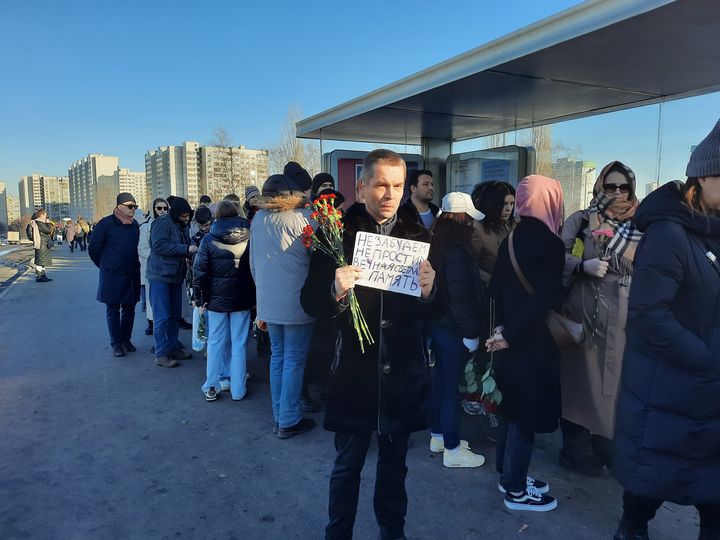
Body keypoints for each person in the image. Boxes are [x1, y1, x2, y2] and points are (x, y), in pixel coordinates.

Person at [300, 149, 440, 540]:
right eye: (381, 184)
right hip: (355, 376)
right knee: (347, 468)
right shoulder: (336, 235)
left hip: (401, 377)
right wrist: (334, 288)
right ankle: (337, 533)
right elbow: (309, 300)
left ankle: (392, 532)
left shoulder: (419, 236)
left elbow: (434, 311)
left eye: (397, 185)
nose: (390, 193)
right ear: (361, 188)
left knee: (395, 469)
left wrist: (431, 292)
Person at [612, 120, 720, 540]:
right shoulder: (670, 234)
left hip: (710, 394)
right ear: (705, 175)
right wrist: (706, 359)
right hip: (669, 390)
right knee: (648, 485)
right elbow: (648, 316)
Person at [486, 174, 565, 512]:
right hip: (532, 342)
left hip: (508, 339)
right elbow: (545, 298)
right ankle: (516, 491)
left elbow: (496, 291)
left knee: (510, 409)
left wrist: (503, 331)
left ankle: (508, 474)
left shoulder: (511, 238)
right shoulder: (552, 243)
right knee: (525, 417)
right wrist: (514, 334)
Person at [559, 161, 642, 477]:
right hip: (587, 307)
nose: (618, 193)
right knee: (581, 379)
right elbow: (557, 254)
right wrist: (582, 265)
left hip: (627, 313)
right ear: (600, 187)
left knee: (618, 382)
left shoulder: (642, 221)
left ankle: (608, 444)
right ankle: (575, 448)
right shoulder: (581, 219)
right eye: (611, 187)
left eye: (624, 187)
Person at [250, 171, 317, 438]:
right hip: (297, 302)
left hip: (269, 301)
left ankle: (279, 414)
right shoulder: (305, 219)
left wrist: (262, 297)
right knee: (294, 360)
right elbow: (319, 259)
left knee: (277, 357)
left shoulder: (258, 219)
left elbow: (253, 264)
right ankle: (288, 419)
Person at [427, 192, 487, 468]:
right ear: (461, 218)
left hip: (439, 326)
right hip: (454, 329)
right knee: (452, 388)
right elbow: (461, 296)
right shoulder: (457, 250)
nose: (472, 224)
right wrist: (471, 333)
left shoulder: (436, 242)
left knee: (441, 382)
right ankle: (452, 448)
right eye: (469, 218)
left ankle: (438, 435)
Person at [463, 181, 517, 435]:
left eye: (511, 203)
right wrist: (494, 283)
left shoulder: (515, 226)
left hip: (509, 301)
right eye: (503, 203)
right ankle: (481, 403)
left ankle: (495, 404)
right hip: (487, 301)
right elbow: (470, 266)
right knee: (486, 355)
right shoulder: (477, 228)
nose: (508, 208)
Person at [193, 200, 255, 402]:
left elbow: (199, 271)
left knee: (215, 342)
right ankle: (238, 389)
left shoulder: (208, 239)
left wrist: (199, 296)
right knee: (239, 344)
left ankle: (212, 385)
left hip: (215, 300)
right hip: (242, 299)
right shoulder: (250, 238)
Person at [88, 193, 141, 357]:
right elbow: (93, 249)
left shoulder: (135, 225)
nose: (133, 210)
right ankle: (116, 343)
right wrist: (105, 265)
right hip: (112, 274)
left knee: (129, 309)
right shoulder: (105, 224)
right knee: (113, 309)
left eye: (135, 206)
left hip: (131, 273)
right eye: (130, 206)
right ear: (119, 206)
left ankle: (126, 340)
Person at [147, 196, 196, 368]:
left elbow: (186, 243)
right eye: (184, 216)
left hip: (175, 275)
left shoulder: (181, 225)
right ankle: (161, 354)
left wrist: (190, 250)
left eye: (188, 216)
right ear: (176, 214)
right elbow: (158, 245)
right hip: (160, 276)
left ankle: (173, 346)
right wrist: (185, 249)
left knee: (175, 314)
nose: (187, 219)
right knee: (162, 317)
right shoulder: (162, 223)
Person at [138, 198, 168, 335]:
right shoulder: (145, 227)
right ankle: (152, 324)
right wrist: (159, 253)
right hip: (153, 268)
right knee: (153, 302)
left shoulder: (170, 225)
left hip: (168, 269)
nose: (162, 211)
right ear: (153, 209)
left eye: (165, 208)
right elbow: (142, 249)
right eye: (159, 208)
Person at [29, 208, 55, 282]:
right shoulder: (39, 222)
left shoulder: (39, 222)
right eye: (45, 215)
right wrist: (48, 223)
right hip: (42, 244)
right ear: (42, 215)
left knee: (42, 261)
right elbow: (48, 230)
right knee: (40, 262)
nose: (46, 217)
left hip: (42, 244)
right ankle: (39, 277)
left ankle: (42, 275)